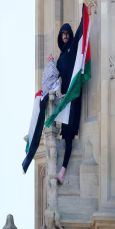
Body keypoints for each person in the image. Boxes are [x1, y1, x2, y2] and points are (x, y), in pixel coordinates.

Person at [46, 23, 82, 185]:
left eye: (67, 33)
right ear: (60, 37)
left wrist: (85, 11)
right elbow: (53, 77)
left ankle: (63, 170)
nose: (65, 36)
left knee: (70, 133)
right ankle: (61, 172)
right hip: (66, 99)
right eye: (63, 34)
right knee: (66, 135)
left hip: (75, 96)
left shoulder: (73, 49)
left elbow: (81, 31)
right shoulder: (60, 59)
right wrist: (50, 63)